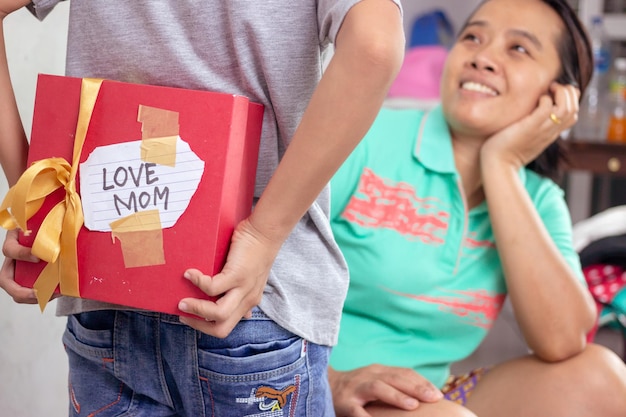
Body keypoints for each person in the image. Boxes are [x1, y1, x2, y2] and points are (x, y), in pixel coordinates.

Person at [0, 1, 405, 415]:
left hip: (107, 291)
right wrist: (264, 234)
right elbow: (374, 47)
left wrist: (37, 201)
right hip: (244, 293)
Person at [327, 0, 626, 416]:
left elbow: (562, 341)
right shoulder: (365, 136)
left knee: (604, 378)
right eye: (472, 38)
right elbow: (256, 278)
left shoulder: (536, 199)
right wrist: (332, 381)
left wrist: (500, 166)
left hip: (425, 395)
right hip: (307, 382)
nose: (483, 58)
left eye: (518, 48)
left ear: (559, 97)